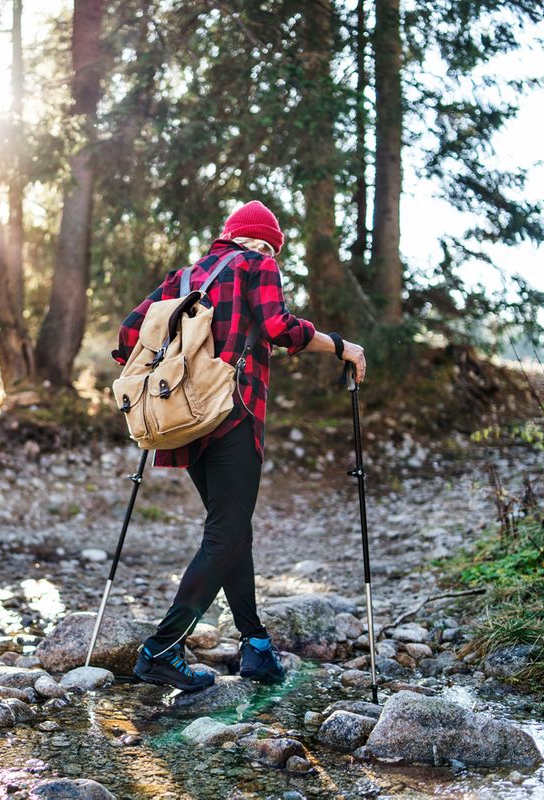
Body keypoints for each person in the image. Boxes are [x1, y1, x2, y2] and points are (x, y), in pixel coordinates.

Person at [110, 200, 367, 692]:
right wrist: (339, 345)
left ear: (227, 235)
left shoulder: (182, 279)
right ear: (266, 242)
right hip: (234, 414)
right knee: (226, 534)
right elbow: (279, 327)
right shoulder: (258, 264)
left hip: (184, 418)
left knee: (231, 530)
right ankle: (161, 649)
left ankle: (256, 646)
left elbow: (128, 334)